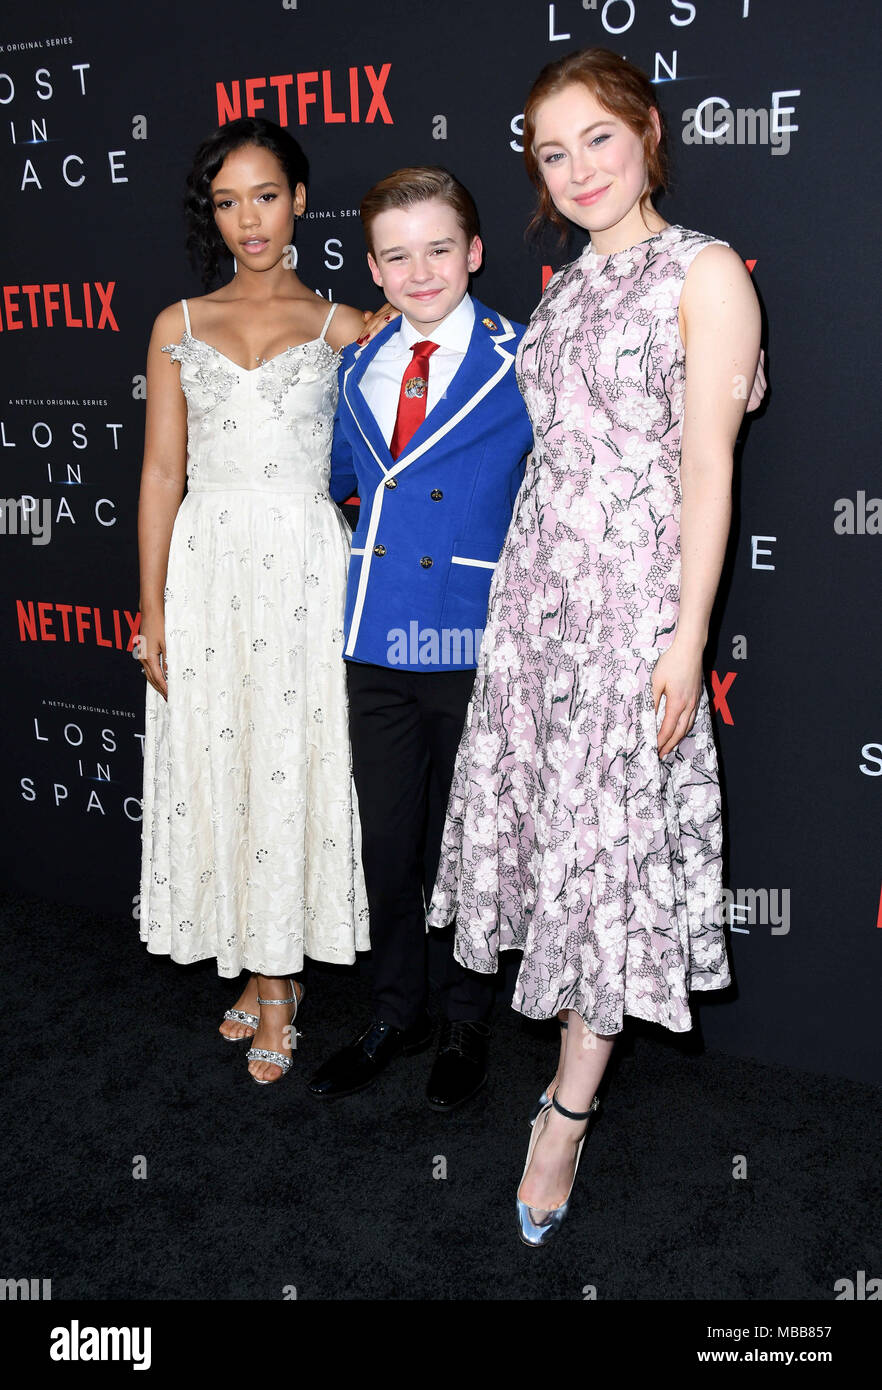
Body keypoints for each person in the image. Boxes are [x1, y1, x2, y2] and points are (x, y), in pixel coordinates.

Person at [427, 48, 762, 1241]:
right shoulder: (564, 284)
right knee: (553, 842)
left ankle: (563, 1117)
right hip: (538, 604)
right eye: (550, 153)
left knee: (610, 855)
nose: (575, 171)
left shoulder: (706, 272)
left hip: (632, 609)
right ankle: (559, 1077)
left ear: (648, 132)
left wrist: (684, 639)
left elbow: (708, 471)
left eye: (596, 141)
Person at [137, 117, 371, 1085]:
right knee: (223, 759)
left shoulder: (346, 324)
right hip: (207, 565)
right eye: (228, 202)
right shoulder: (177, 324)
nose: (249, 220)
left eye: (265, 195)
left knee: (288, 761)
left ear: (301, 199)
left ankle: (278, 985)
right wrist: (150, 611)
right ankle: (263, 966)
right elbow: (159, 473)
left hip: (305, 567)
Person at [305, 168, 535, 1109]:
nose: (420, 269)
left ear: (474, 253)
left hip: (471, 640)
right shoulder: (357, 365)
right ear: (372, 267)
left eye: (439, 248)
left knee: (466, 846)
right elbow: (342, 477)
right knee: (390, 842)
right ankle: (394, 1012)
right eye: (396, 255)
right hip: (376, 641)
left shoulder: (523, 358)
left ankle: (463, 1025)